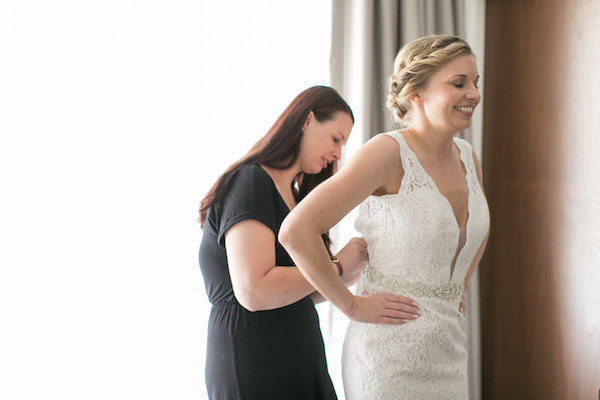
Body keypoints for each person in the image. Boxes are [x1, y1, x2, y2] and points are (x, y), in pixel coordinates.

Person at [279, 35, 490, 399]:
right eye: (459, 83)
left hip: (449, 351)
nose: (473, 93)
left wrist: (458, 283)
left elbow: (476, 230)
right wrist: (350, 305)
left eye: (475, 82)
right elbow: (297, 230)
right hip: (387, 359)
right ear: (416, 93)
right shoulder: (387, 153)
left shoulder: (468, 157)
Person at [198, 86, 410, 399]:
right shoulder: (252, 182)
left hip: (297, 355)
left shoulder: (297, 201)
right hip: (256, 358)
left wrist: (342, 273)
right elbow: (254, 291)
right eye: (336, 138)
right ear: (307, 120)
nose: (338, 154)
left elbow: (294, 293)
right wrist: (334, 268)